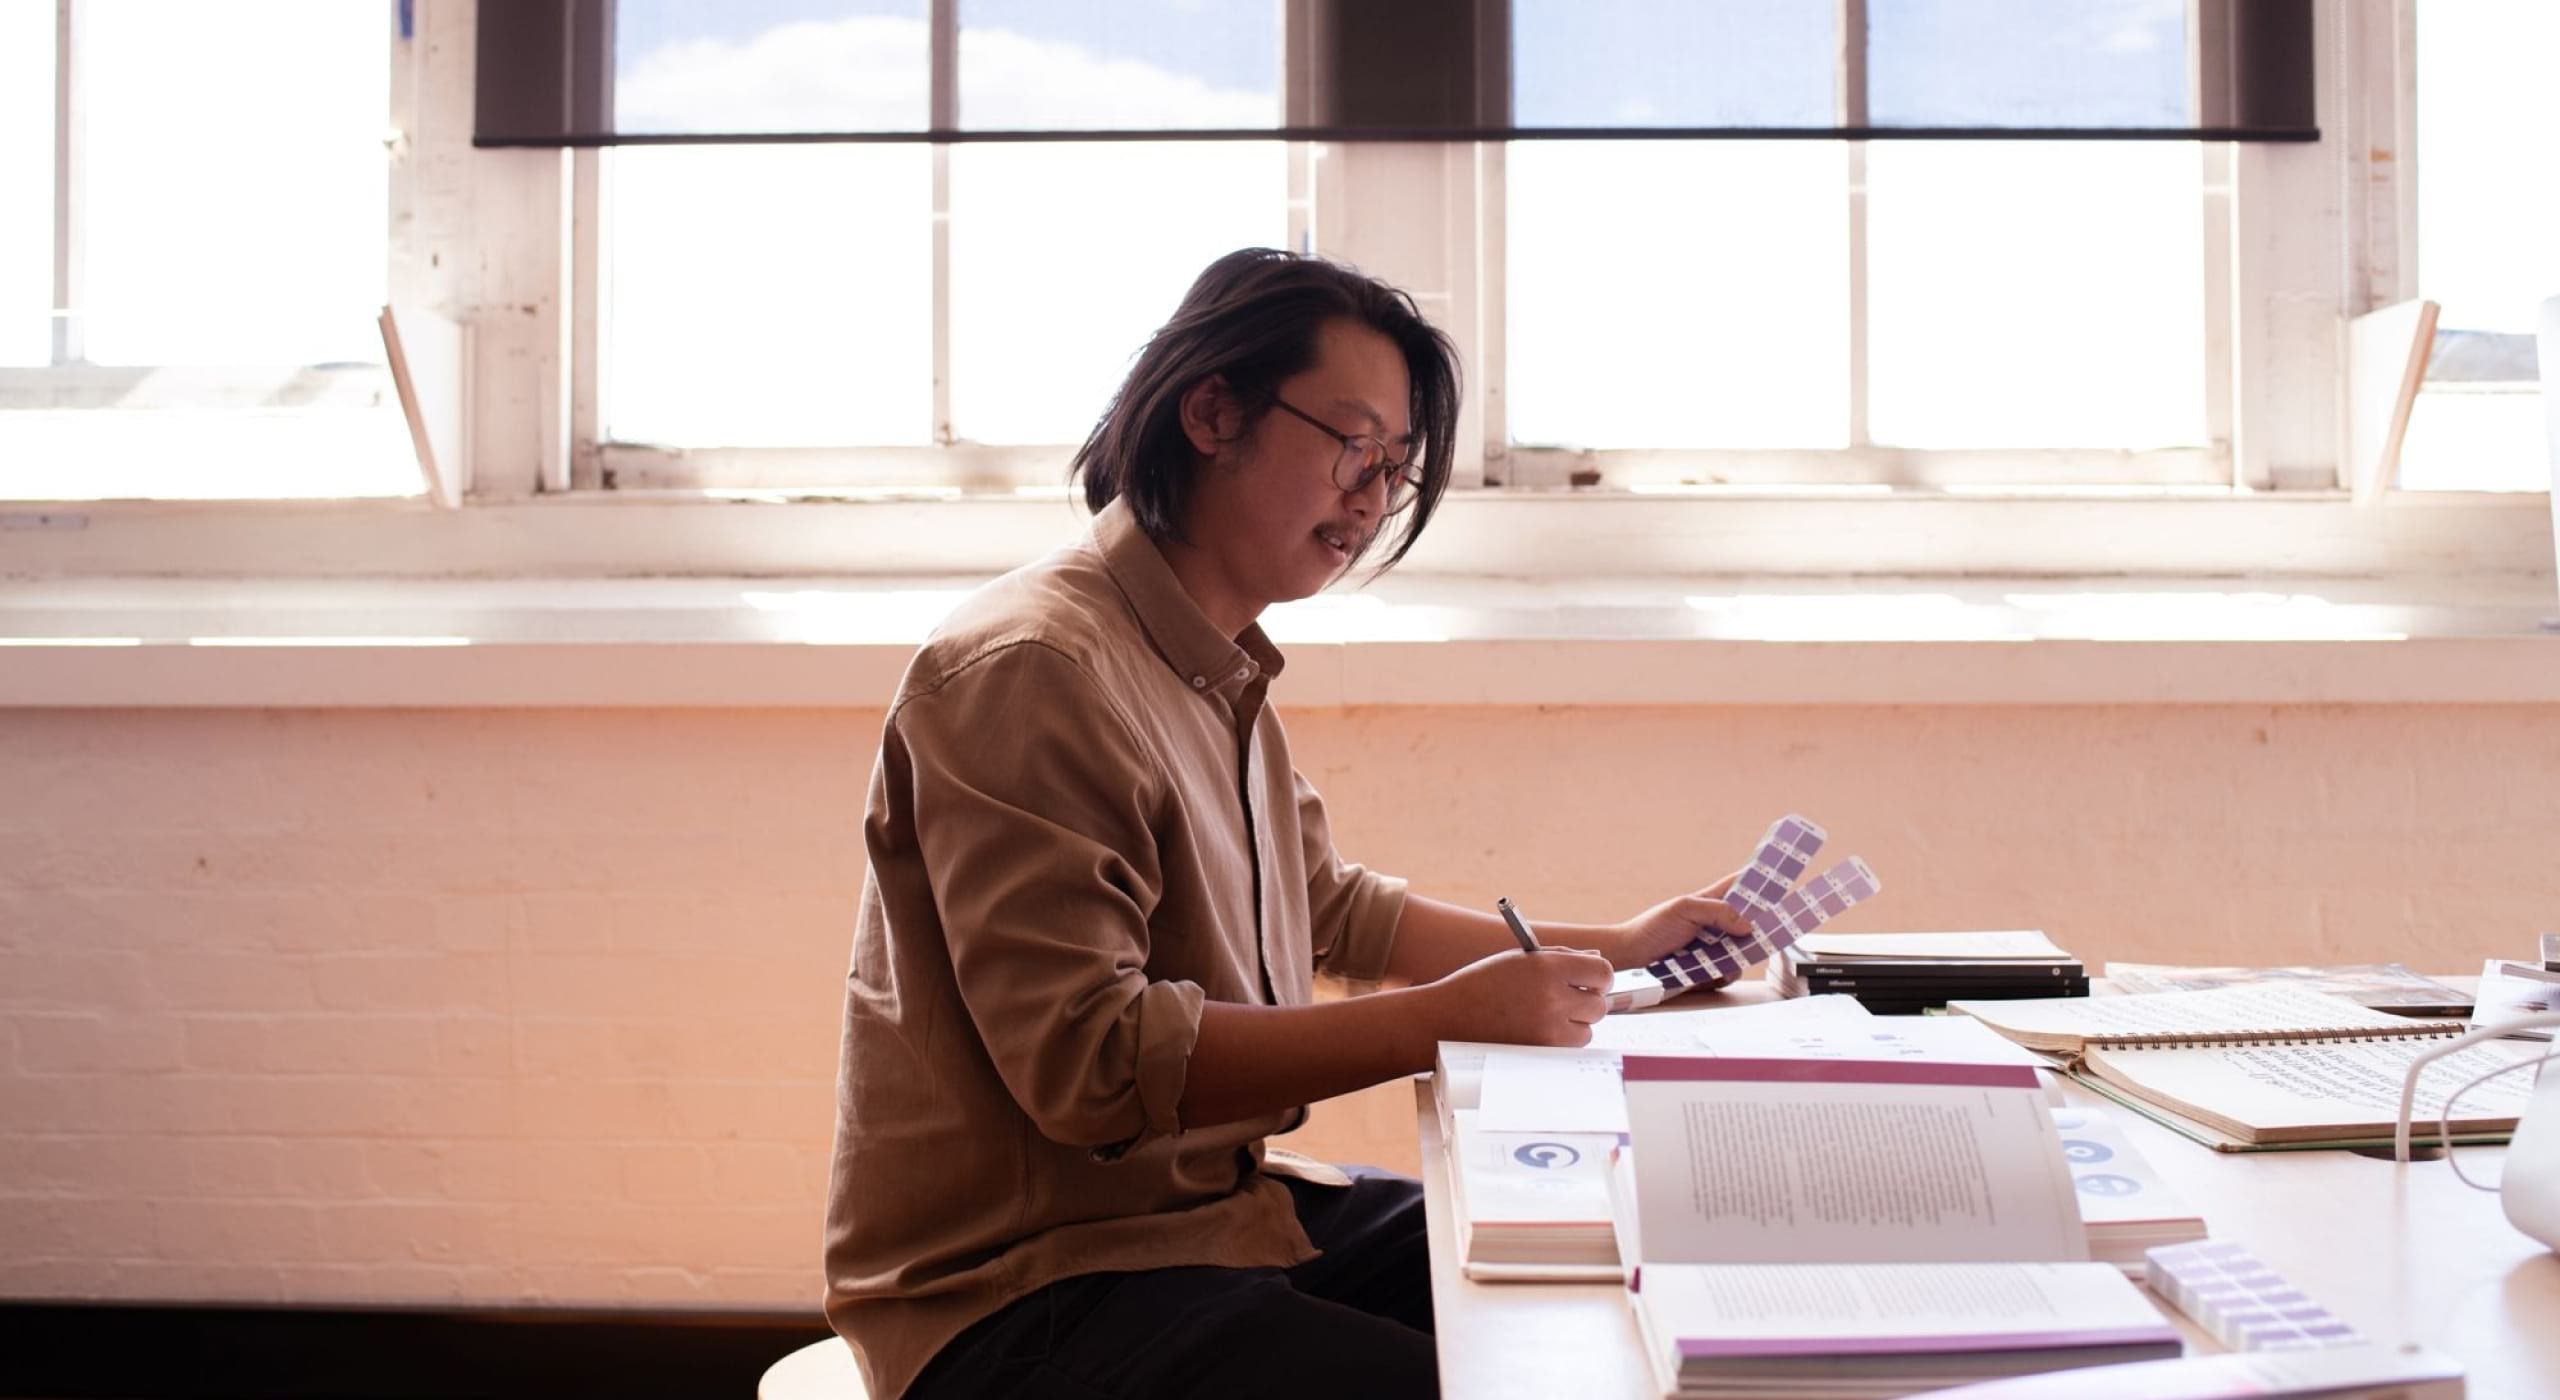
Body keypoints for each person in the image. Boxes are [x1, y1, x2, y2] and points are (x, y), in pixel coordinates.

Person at [822, 247, 1751, 1400]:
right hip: (1026, 1295)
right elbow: (1090, 1058)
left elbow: (1329, 905)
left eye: (1395, 467)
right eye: (1352, 446)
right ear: (1213, 411)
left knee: (1589, 1264)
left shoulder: (1212, 662)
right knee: (1523, 1368)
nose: (1370, 498)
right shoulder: (1035, 666)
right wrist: (1442, 1022)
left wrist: (1615, 945)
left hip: (1204, 1222)